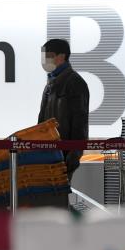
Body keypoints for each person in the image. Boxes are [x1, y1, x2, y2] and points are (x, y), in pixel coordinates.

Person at [38, 39, 89, 182]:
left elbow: (80, 123)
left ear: (61, 56)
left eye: (47, 56)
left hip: (63, 157)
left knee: (58, 200)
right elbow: (42, 120)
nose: (44, 61)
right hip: (47, 155)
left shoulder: (75, 83)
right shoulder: (50, 83)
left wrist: (72, 158)